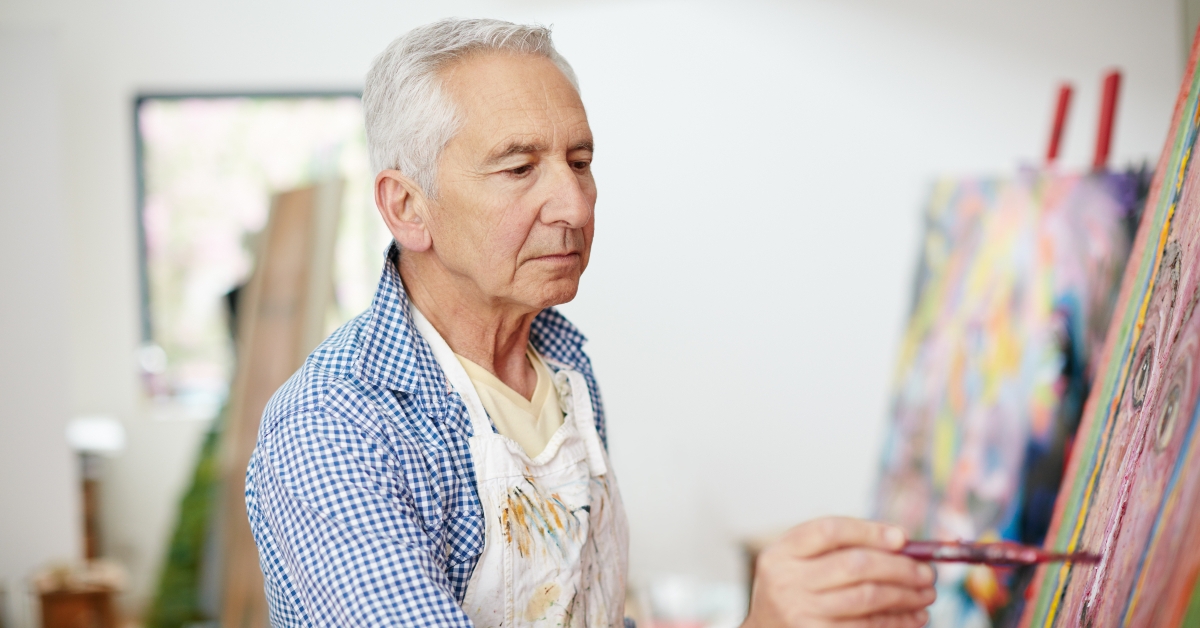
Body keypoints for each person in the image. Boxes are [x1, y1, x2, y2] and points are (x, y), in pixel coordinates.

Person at [245, 18, 936, 628]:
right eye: (519, 168)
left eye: (581, 162)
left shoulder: (563, 370)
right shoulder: (335, 427)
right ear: (406, 207)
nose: (574, 206)